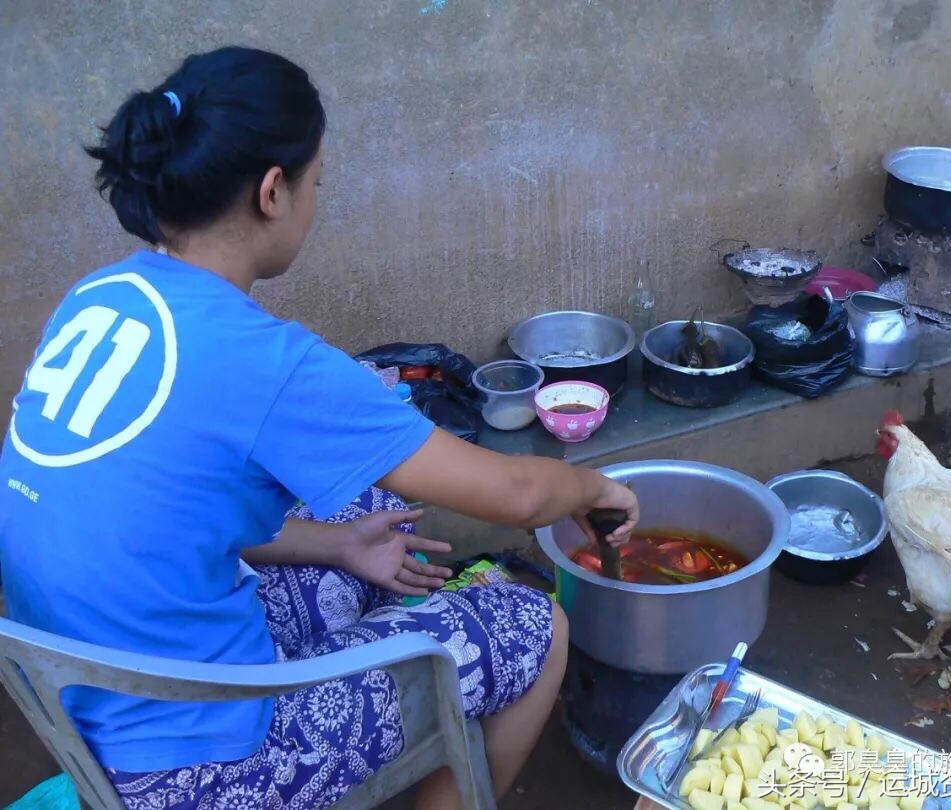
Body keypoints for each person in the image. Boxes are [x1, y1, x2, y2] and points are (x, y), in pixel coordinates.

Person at [0, 46, 639, 810]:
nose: (314, 201)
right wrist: (594, 485)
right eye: (317, 184)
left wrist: (337, 544)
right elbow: (515, 494)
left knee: (358, 512)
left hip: (86, 702)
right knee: (532, 625)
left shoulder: (101, 298)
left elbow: (161, 515)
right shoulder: (268, 360)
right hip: (207, 766)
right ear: (274, 191)